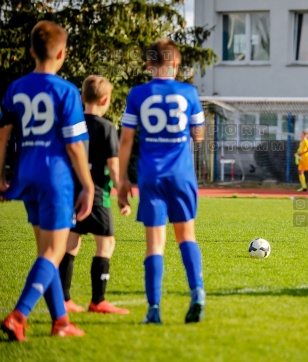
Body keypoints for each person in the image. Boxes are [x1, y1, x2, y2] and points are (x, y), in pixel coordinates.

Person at [0, 20, 93, 341]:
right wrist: (88, 184)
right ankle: (18, 315)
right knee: (53, 251)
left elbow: (2, 136)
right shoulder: (66, 91)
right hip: (56, 176)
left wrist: (1, 176)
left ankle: (61, 322)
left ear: (31, 52)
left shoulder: (16, 88)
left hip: (26, 173)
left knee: (46, 251)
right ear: (62, 53)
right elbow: (74, 145)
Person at [117, 39, 206, 324]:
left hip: (150, 175)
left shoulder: (137, 94)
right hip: (181, 174)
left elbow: (127, 139)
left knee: (155, 244)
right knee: (186, 237)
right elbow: (199, 135)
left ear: (148, 64)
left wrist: (121, 179)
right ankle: (198, 294)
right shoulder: (189, 92)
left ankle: (154, 309)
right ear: (176, 64)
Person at [59, 75, 130, 314]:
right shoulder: (107, 127)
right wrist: (121, 193)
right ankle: (98, 300)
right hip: (98, 194)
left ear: (82, 98)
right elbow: (113, 166)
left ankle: (65, 298)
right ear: (106, 99)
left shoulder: (72, 124)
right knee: (106, 243)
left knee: (71, 241)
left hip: (73, 192)